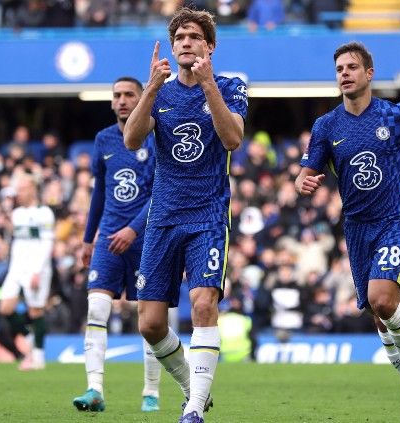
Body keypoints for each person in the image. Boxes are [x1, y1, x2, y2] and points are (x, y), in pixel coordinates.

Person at [295, 42, 400, 421]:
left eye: (352, 66)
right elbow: (306, 172)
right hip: (356, 228)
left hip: (395, 219)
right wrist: (303, 182)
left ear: (369, 73)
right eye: (339, 68)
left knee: (383, 299)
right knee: (380, 316)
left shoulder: (395, 115)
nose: (344, 73)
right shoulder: (326, 126)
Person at [124, 7, 247, 423]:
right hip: (163, 216)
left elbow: (232, 139)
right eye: (179, 38)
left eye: (194, 37)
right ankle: (193, 389)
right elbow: (131, 139)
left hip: (208, 215)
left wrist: (209, 83)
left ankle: (194, 409)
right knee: (151, 324)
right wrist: (150, 89)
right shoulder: (159, 92)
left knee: (203, 304)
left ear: (210, 46)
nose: (186, 43)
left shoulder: (230, 87)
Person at [71, 77, 162, 413]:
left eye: (129, 95)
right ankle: (94, 389)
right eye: (117, 96)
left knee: (149, 319)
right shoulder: (103, 139)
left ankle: (150, 391)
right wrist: (87, 237)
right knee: (96, 308)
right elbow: (99, 192)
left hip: (146, 239)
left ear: (143, 99)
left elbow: (160, 192)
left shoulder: (155, 137)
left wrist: (133, 230)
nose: (122, 100)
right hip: (108, 239)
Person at [0, 173, 55, 371]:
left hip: (36, 268)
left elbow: (47, 244)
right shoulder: (16, 214)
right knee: (5, 307)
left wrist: (37, 271)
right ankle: (31, 338)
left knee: (35, 309)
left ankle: (38, 357)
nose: (18, 193)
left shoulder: (45, 213)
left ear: (32, 189)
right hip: (16, 268)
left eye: (22, 189)